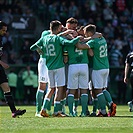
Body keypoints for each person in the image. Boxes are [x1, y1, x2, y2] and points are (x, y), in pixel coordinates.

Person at [30, 20, 80, 117]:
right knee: (59, 88)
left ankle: (43, 109)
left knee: (51, 88)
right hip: (58, 66)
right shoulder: (57, 38)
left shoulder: (45, 37)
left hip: (49, 66)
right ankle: (56, 111)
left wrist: (40, 49)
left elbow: (32, 47)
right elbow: (68, 43)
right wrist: (78, 38)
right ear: (57, 29)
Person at [76, 24, 117, 117]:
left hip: (97, 68)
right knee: (103, 88)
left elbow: (82, 48)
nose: (85, 35)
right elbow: (98, 34)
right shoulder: (102, 39)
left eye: (86, 33)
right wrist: (88, 39)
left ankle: (102, 111)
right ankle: (110, 103)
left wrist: (74, 41)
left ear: (90, 33)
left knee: (98, 90)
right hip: (106, 67)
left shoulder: (93, 42)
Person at [0, 21, 26, 118]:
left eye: (6, 30)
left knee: (6, 88)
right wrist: (2, 63)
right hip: (0, 65)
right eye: (3, 30)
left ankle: (14, 111)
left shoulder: (1, 39)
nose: (5, 32)